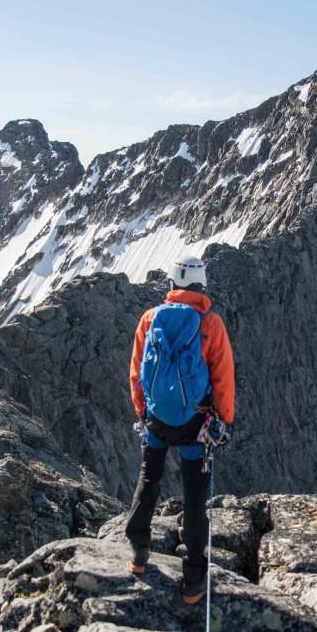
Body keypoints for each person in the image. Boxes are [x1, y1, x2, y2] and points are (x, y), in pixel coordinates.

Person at [123, 254, 235, 604]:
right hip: (194, 423)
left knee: (149, 478)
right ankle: (193, 578)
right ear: (201, 286)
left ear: (171, 285)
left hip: (156, 421)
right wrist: (224, 421)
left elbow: (137, 374)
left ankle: (139, 552)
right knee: (195, 499)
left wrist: (144, 414)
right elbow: (223, 378)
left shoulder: (149, 319)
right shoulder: (210, 324)